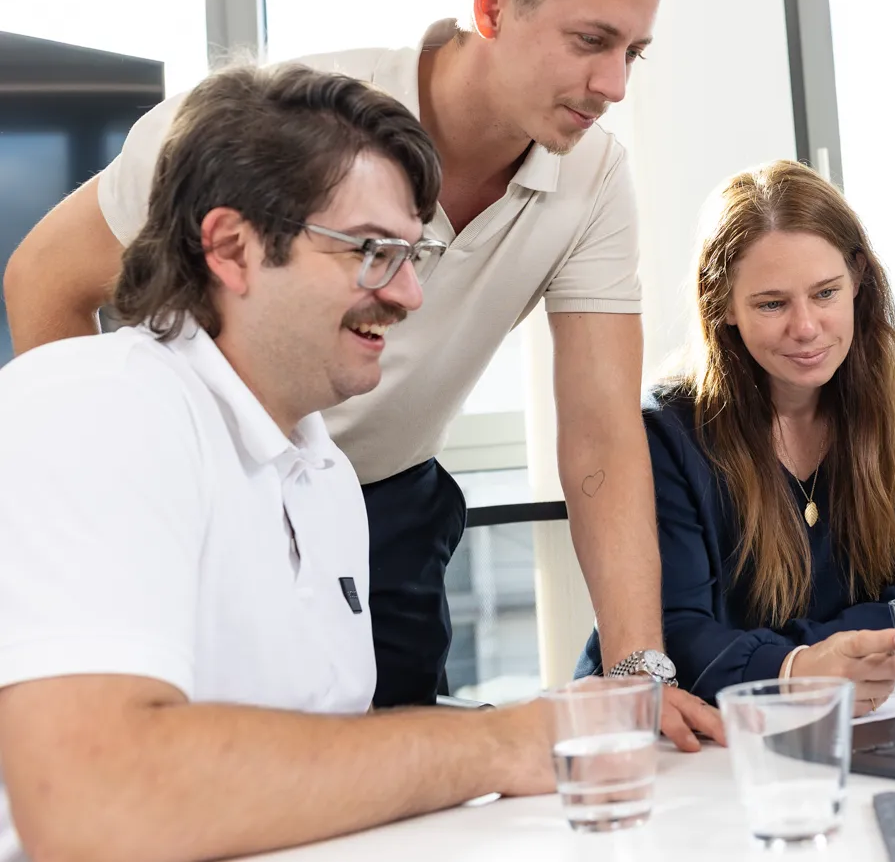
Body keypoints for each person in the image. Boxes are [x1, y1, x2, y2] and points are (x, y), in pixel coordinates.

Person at [1, 0, 721, 743]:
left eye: (633, 53)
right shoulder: (276, 130)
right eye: (590, 40)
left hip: (377, 502)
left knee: (387, 765)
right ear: (491, 9)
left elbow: (602, 434)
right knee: (192, 757)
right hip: (209, 481)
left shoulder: (596, 178)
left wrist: (637, 673)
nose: (613, 85)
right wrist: (90, 485)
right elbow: (43, 277)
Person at [0, 65, 564, 862]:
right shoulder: (96, 405)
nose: (409, 294)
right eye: (371, 250)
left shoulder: (324, 473)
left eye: (411, 253)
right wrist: (492, 744)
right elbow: (93, 801)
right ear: (232, 247)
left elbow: (314, 762)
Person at [582, 160, 895, 712]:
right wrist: (801, 667)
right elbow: (673, 636)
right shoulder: (664, 434)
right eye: (772, 303)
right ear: (725, 305)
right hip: (677, 729)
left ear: (858, 279)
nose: (804, 327)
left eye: (825, 293)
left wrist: (794, 660)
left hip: (858, 717)